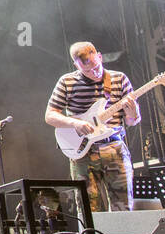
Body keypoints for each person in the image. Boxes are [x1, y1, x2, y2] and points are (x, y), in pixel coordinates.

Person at [44, 41, 140, 212]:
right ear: (76, 65)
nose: (94, 73)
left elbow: (132, 121)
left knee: (124, 207)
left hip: (114, 148)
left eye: (96, 66)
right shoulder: (67, 82)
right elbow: (50, 115)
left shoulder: (119, 78)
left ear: (100, 57)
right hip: (83, 152)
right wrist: (75, 123)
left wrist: (133, 112)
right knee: (89, 209)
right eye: (87, 70)